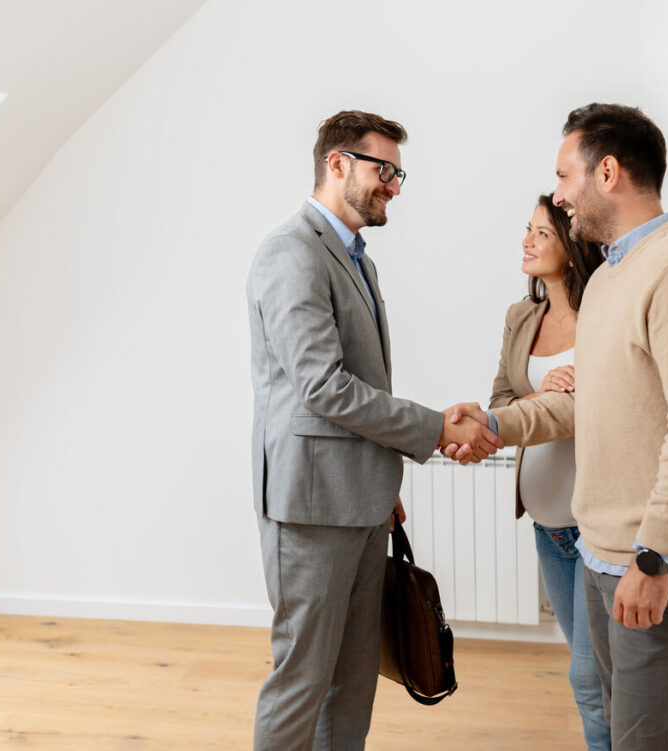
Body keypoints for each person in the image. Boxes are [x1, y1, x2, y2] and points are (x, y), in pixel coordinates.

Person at [446, 103, 668, 750]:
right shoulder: (610, 276)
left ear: (606, 171)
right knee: (614, 727)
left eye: (564, 176)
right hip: (602, 553)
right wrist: (496, 419)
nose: (557, 195)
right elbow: (584, 402)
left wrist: (653, 554)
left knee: (645, 740)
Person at [246, 110, 501, 751]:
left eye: (398, 172)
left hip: (358, 500)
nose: (393, 184)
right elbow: (323, 386)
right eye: (382, 169)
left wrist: (380, 481)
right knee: (302, 678)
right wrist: (432, 427)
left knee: (354, 678)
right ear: (338, 164)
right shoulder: (291, 252)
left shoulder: (357, 258)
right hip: (309, 507)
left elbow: (361, 387)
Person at [489, 194, 608, 749]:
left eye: (542, 232)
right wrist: (542, 390)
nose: (527, 241)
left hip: (599, 524)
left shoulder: (607, 310)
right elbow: (503, 397)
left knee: (590, 676)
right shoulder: (521, 317)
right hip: (547, 525)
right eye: (527, 230)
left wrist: (574, 385)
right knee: (593, 672)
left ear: (572, 242)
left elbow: (619, 407)